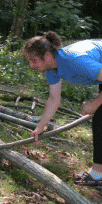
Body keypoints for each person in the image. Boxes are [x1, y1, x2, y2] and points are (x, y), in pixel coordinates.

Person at [22, 32, 102, 186]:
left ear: (47, 55)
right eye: (29, 61)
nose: (32, 66)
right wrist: (40, 126)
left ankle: (98, 173)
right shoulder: (52, 69)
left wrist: (95, 103)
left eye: (34, 60)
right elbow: (53, 99)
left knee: (100, 120)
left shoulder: (74, 61)